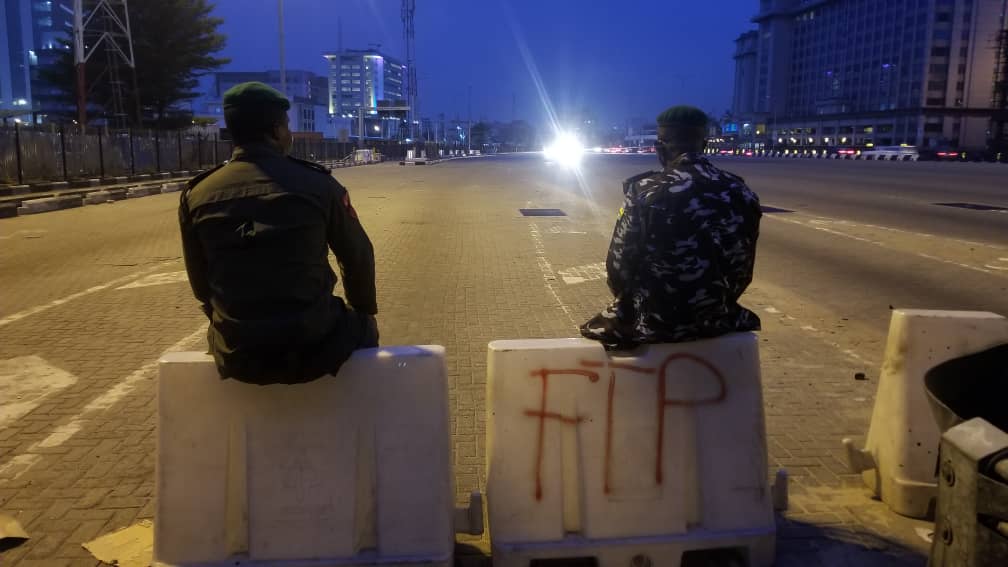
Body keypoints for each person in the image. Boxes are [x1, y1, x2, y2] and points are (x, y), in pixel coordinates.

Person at [179, 81, 378, 384]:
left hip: (238, 352)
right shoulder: (319, 186)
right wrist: (361, 310)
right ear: (275, 131)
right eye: (286, 126)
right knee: (364, 326)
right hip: (316, 345)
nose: (290, 134)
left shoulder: (198, 194)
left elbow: (201, 285)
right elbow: (358, 256)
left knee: (216, 332)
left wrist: (231, 324)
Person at [580, 105, 761, 350]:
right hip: (718, 319)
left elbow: (619, 267)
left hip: (652, 322)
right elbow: (742, 270)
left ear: (660, 147)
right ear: (704, 144)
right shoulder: (741, 192)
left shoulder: (645, 191)